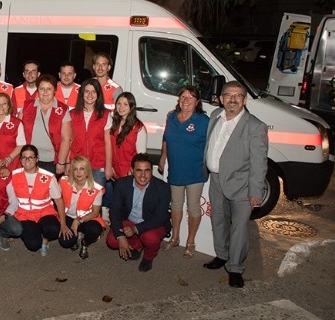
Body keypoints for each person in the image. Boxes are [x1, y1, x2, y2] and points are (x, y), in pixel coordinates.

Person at [202, 81, 268, 288]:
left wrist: (256, 191)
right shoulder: (215, 117)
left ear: (245, 100)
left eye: (238, 95)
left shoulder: (255, 126)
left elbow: (259, 162)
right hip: (216, 180)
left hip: (241, 185)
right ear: (221, 99)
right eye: (228, 95)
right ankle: (222, 255)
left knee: (238, 228)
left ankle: (236, 268)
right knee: (218, 221)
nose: (232, 99)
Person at [158, 86, 209, 259]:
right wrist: (162, 158)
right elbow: (166, 138)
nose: (186, 100)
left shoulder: (204, 121)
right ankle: (175, 237)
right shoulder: (171, 117)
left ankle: (191, 241)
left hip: (195, 171)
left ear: (197, 102)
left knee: (193, 207)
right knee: (176, 205)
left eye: (191, 97)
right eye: (183, 96)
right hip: (175, 170)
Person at [106, 153, 171, 272]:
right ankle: (137, 244)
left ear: (152, 171)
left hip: (153, 224)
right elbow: (115, 211)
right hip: (130, 221)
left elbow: (160, 218)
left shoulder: (163, 188)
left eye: (147, 171)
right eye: (138, 170)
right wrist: (120, 236)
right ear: (132, 171)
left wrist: (136, 229)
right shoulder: (121, 184)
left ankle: (148, 257)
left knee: (150, 238)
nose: (143, 175)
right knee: (112, 240)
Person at [8, 145, 69, 255]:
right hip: (24, 214)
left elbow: (59, 201)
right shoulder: (13, 175)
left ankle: (45, 240)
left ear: (37, 159)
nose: (27, 160)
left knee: (54, 230)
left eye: (31, 157)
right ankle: (36, 235)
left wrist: (63, 224)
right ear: (20, 160)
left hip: (44, 212)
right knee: (33, 245)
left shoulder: (48, 177)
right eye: (24, 157)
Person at [19, 75, 72, 175]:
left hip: (51, 161)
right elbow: (17, 133)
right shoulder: (27, 106)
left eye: (49, 89)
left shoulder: (63, 109)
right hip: (28, 159)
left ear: (55, 90)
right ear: (37, 90)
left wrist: (61, 162)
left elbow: (66, 138)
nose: (45, 92)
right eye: (42, 89)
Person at [106, 92, 147, 212]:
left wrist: (131, 172)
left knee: (126, 208)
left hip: (128, 176)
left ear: (131, 107)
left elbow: (141, 157)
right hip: (114, 173)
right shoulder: (113, 124)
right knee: (114, 205)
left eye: (125, 104)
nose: (121, 107)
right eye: (119, 103)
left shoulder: (139, 128)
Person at [58, 155, 106, 259]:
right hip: (68, 217)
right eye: (75, 169)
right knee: (65, 242)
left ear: (88, 171)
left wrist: (78, 221)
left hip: (85, 219)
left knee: (95, 229)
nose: (78, 172)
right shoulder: (63, 182)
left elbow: (95, 212)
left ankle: (85, 242)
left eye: (82, 169)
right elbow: (57, 201)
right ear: (71, 171)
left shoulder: (96, 189)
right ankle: (75, 239)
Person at [69, 79, 112, 187]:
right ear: (82, 93)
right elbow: (68, 141)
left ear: (98, 94)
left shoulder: (105, 114)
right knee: (77, 198)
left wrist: (108, 166)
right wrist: (67, 163)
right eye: (87, 91)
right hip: (77, 165)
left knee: (95, 199)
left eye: (93, 92)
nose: (90, 95)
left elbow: (108, 143)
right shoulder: (72, 114)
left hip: (98, 165)